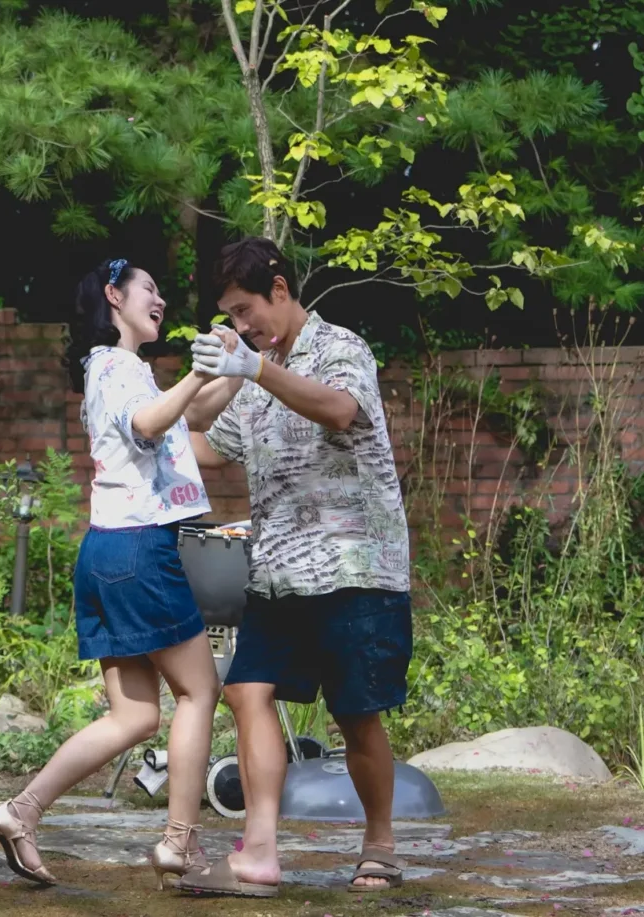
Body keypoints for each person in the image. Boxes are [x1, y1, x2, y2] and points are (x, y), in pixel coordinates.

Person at [173, 237, 414, 898]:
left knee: (355, 712)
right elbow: (204, 441)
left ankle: (381, 844)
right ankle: (260, 851)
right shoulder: (250, 370)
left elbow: (339, 409)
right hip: (277, 570)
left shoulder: (342, 347)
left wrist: (254, 367)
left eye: (244, 308)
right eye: (228, 313)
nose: (239, 324)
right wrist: (139, 422)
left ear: (279, 288)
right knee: (246, 689)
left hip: (352, 566)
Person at [0, 258, 221, 889]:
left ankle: (19, 811)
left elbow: (188, 426)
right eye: (148, 289)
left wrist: (238, 373)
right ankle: (179, 843)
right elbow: (150, 425)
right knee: (199, 692)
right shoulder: (117, 366)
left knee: (134, 718)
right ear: (114, 296)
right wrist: (199, 373)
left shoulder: (122, 371)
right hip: (141, 550)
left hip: (108, 552)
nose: (159, 298)